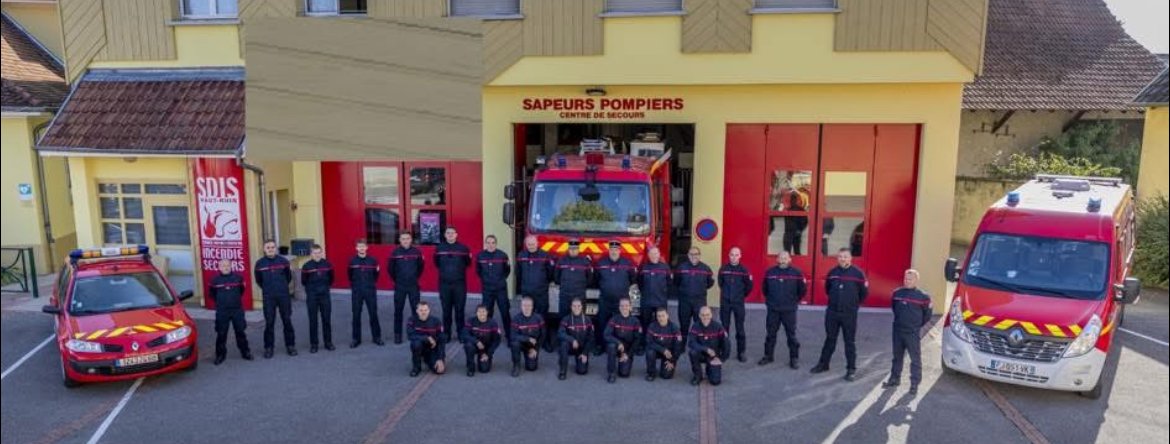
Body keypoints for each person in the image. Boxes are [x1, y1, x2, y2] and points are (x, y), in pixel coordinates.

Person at [811, 248, 868, 381]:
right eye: (840, 256)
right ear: (837, 258)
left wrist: (852, 305)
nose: (843, 259)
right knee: (830, 339)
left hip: (849, 313)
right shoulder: (832, 273)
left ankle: (851, 369)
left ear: (850, 258)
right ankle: (823, 364)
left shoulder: (858, 274)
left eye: (845, 256)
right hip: (832, 312)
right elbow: (828, 289)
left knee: (849, 342)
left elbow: (863, 294)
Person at [882, 270, 932, 395]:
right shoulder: (897, 293)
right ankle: (894, 379)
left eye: (910, 279)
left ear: (916, 280)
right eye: (906, 278)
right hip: (898, 330)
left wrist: (916, 326)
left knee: (915, 359)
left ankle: (914, 384)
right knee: (897, 357)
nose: (907, 281)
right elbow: (895, 308)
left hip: (912, 333)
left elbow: (927, 315)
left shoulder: (924, 297)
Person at [760, 251, 807, 369]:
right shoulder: (770, 272)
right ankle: (768, 356)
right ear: (777, 259)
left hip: (789, 310)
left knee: (791, 335)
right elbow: (765, 289)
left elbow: (802, 290)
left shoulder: (797, 273)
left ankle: (794, 358)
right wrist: (771, 301)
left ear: (790, 259)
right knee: (770, 334)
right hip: (773, 309)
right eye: (781, 258)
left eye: (785, 258)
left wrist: (793, 301)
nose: (783, 260)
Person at [255, 240, 295, 358]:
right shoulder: (260, 264)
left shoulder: (283, 261)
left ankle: (290, 346)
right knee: (269, 322)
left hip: (283, 296)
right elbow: (259, 280)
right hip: (269, 297)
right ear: (264, 249)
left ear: (276, 249)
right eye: (268, 247)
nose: (271, 249)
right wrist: (268, 289)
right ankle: (268, 348)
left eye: (272, 247)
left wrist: (281, 287)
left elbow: (288, 277)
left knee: (287, 320)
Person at [595, 241, 636, 354]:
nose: (614, 252)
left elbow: (633, 278)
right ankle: (601, 346)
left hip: (622, 302)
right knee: (602, 323)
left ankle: (621, 347)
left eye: (616, 250)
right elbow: (596, 279)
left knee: (622, 325)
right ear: (609, 250)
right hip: (605, 300)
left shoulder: (627, 263)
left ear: (619, 250)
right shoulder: (601, 263)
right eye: (612, 250)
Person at [516, 235, 555, 351]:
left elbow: (550, 273)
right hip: (527, 292)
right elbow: (518, 273)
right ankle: (528, 341)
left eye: (533, 244)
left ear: (537, 243)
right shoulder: (521, 255)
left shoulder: (545, 255)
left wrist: (543, 283)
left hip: (541, 292)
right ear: (526, 245)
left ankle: (544, 341)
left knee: (543, 317)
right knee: (527, 317)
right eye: (529, 244)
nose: (531, 246)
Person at [209, 259, 252, 364]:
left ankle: (245, 352)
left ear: (231, 266)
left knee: (240, 331)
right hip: (222, 311)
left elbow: (241, 290)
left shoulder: (238, 278)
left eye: (227, 265)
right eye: (223, 266)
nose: (226, 267)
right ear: (219, 267)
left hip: (237, 310)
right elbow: (212, 294)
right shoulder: (215, 280)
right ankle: (220, 355)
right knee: (221, 333)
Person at [435, 227, 472, 342]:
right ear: (445, 235)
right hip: (444, 285)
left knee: (460, 310)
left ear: (456, 235)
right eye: (448, 233)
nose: (450, 235)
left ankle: (461, 334)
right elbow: (436, 263)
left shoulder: (463, 248)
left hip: (459, 284)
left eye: (452, 233)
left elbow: (468, 263)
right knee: (446, 311)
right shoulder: (439, 248)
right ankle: (447, 334)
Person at [553, 239, 592, 348]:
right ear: (568, 249)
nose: (573, 250)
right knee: (563, 319)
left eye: (575, 248)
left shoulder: (585, 261)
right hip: (565, 295)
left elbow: (590, 279)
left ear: (578, 249)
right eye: (571, 248)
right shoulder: (561, 260)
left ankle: (581, 344)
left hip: (579, 296)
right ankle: (564, 343)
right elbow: (556, 278)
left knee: (581, 321)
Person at [389, 232, 425, 344]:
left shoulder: (417, 252)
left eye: (407, 238)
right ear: (399, 240)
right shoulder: (395, 253)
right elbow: (391, 270)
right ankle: (397, 335)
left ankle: (415, 333)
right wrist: (398, 280)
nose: (405, 241)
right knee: (398, 311)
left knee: (416, 310)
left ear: (411, 240)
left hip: (413, 285)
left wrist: (413, 278)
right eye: (403, 239)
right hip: (400, 286)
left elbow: (420, 268)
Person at [718, 247, 753, 362]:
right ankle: (724, 350)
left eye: (736, 255)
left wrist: (740, 296)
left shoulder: (744, 270)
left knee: (740, 328)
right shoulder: (723, 269)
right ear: (729, 255)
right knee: (724, 328)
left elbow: (749, 287)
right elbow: (720, 283)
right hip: (725, 302)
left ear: (740, 256)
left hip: (738, 303)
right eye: (732, 254)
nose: (734, 257)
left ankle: (741, 352)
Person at [348, 239, 383, 348]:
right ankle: (356, 339)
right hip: (357, 291)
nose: (361, 248)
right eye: (359, 246)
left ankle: (377, 337)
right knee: (356, 315)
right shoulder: (352, 261)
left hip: (370, 290)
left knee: (373, 314)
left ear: (367, 247)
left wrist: (370, 284)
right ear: (356, 248)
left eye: (363, 246)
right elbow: (350, 275)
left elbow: (376, 275)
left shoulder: (373, 260)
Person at [476, 235, 512, 340]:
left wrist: (500, 280)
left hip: (501, 290)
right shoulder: (480, 256)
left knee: (505, 312)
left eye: (493, 243)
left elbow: (507, 270)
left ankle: (509, 335)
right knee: (487, 313)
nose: (490, 245)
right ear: (485, 243)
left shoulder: (503, 255)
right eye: (488, 242)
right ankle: (487, 334)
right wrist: (486, 280)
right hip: (487, 289)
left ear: (496, 244)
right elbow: (478, 271)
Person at [300, 244, 335, 353]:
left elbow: (331, 279)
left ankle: (328, 343)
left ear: (321, 253)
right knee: (313, 320)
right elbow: (304, 281)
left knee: (326, 319)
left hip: (324, 295)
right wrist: (311, 290)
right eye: (315, 253)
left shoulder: (327, 264)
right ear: (311, 254)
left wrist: (325, 288)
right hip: (312, 296)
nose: (317, 255)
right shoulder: (306, 266)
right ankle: (314, 344)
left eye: (319, 252)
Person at [675, 247, 714, 339]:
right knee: (684, 325)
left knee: (700, 325)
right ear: (688, 255)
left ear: (699, 255)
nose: (694, 256)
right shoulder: (681, 268)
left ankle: (698, 344)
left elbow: (710, 283)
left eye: (696, 254)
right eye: (691, 254)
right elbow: (676, 282)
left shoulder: (706, 268)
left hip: (699, 302)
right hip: (684, 302)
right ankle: (683, 344)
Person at [688, 306, 730, 386]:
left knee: (715, 381)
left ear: (711, 315)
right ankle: (698, 375)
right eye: (703, 315)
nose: (705, 317)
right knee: (692, 352)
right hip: (701, 353)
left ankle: (709, 369)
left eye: (707, 315)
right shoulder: (695, 326)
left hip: (713, 356)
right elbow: (691, 343)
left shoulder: (718, 326)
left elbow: (726, 343)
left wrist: (722, 359)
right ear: (699, 315)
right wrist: (706, 349)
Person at [604, 298, 643, 383]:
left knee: (624, 374)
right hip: (617, 347)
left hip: (628, 350)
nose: (624, 307)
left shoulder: (635, 321)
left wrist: (628, 355)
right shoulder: (614, 319)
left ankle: (624, 361)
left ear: (630, 307)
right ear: (619, 307)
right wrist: (618, 342)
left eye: (626, 305)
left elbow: (637, 341)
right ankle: (611, 373)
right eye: (622, 306)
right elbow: (606, 334)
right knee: (611, 346)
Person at [557, 298, 594, 380]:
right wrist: (572, 340)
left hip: (581, 349)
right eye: (574, 306)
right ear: (571, 307)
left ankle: (581, 359)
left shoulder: (588, 320)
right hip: (571, 346)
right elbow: (560, 333)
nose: (576, 308)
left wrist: (585, 353)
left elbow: (591, 338)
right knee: (564, 344)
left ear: (582, 307)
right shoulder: (566, 319)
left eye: (578, 306)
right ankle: (562, 370)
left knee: (582, 371)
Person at [407, 301, 446, 377]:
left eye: (425, 310)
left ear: (429, 310)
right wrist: (427, 338)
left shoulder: (436, 321)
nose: (423, 312)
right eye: (421, 310)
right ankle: (416, 367)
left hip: (432, 349)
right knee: (415, 344)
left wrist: (440, 358)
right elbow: (410, 335)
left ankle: (428, 359)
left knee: (439, 370)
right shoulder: (411, 320)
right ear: (417, 311)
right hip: (420, 346)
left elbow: (442, 340)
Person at [637, 247, 672, 329]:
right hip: (646, 301)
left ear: (659, 254)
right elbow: (639, 282)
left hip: (660, 301)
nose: (654, 256)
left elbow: (669, 283)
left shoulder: (665, 267)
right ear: (648, 255)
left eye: (655, 253)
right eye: (651, 254)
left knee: (661, 324)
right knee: (645, 324)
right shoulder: (643, 267)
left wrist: (663, 293)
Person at [462, 304, 502, 377]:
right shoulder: (470, 321)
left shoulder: (493, 323)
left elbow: (497, 341)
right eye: (479, 312)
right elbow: (464, 334)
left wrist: (488, 354)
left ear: (487, 312)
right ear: (476, 313)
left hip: (486, 348)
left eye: (483, 311)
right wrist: (476, 341)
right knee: (468, 346)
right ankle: (470, 367)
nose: (481, 314)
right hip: (474, 345)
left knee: (484, 369)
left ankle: (483, 357)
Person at [644, 307, 683, 382]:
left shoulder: (674, 327)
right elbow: (649, 341)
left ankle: (665, 366)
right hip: (657, 350)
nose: (661, 318)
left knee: (666, 376)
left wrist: (672, 361)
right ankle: (651, 373)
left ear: (667, 316)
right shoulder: (652, 326)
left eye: (663, 315)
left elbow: (678, 347)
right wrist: (663, 350)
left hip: (669, 354)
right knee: (650, 352)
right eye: (659, 316)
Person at [510, 296, 545, 377]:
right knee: (514, 343)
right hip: (521, 344)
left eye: (529, 305)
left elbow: (543, 335)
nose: (526, 308)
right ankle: (516, 365)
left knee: (531, 368)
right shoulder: (516, 319)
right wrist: (528, 339)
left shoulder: (539, 318)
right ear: (521, 306)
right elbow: (513, 335)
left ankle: (529, 355)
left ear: (532, 307)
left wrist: (535, 349)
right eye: (524, 305)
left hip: (533, 345)